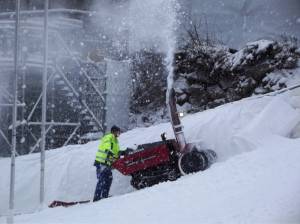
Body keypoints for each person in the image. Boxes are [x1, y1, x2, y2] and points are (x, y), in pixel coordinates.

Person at [93, 125, 121, 202]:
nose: (119, 134)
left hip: (107, 164)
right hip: (101, 162)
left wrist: (120, 153)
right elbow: (106, 147)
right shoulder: (109, 137)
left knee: (109, 178)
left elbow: (116, 152)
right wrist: (109, 151)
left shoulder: (115, 141)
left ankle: (104, 196)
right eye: (118, 132)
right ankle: (96, 198)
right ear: (114, 132)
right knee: (102, 180)